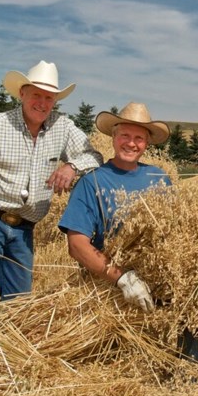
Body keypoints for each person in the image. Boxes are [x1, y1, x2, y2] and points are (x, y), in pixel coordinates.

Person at [0, 60, 103, 341]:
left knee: (19, 302)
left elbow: (94, 156)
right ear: (21, 93)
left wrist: (71, 167)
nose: (42, 102)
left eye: (49, 97)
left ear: (55, 101)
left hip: (24, 229)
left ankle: (6, 360)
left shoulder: (63, 127)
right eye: (36, 94)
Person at [58, 102, 173, 313]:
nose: (131, 143)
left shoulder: (159, 178)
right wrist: (122, 278)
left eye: (139, 138)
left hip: (160, 286)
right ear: (113, 137)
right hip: (113, 294)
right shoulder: (92, 182)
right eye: (125, 136)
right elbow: (77, 245)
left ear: (147, 142)